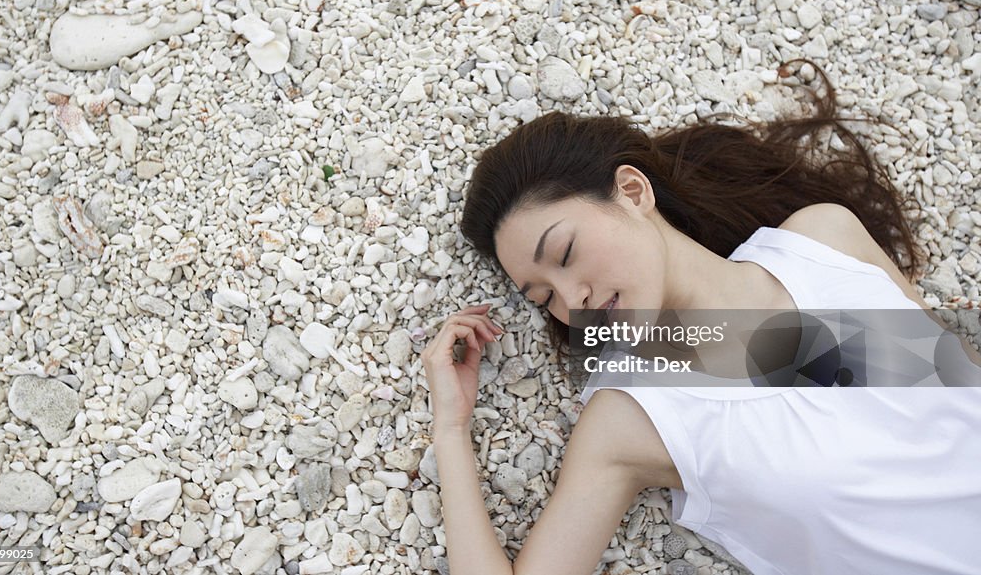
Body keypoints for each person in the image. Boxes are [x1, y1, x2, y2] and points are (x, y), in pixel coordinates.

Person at [420, 58, 981, 575]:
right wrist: (450, 429)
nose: (574, 301)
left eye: (565, 254)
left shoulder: (825, 239)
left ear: (633, 191)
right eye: (544, 297)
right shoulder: (634, 418)